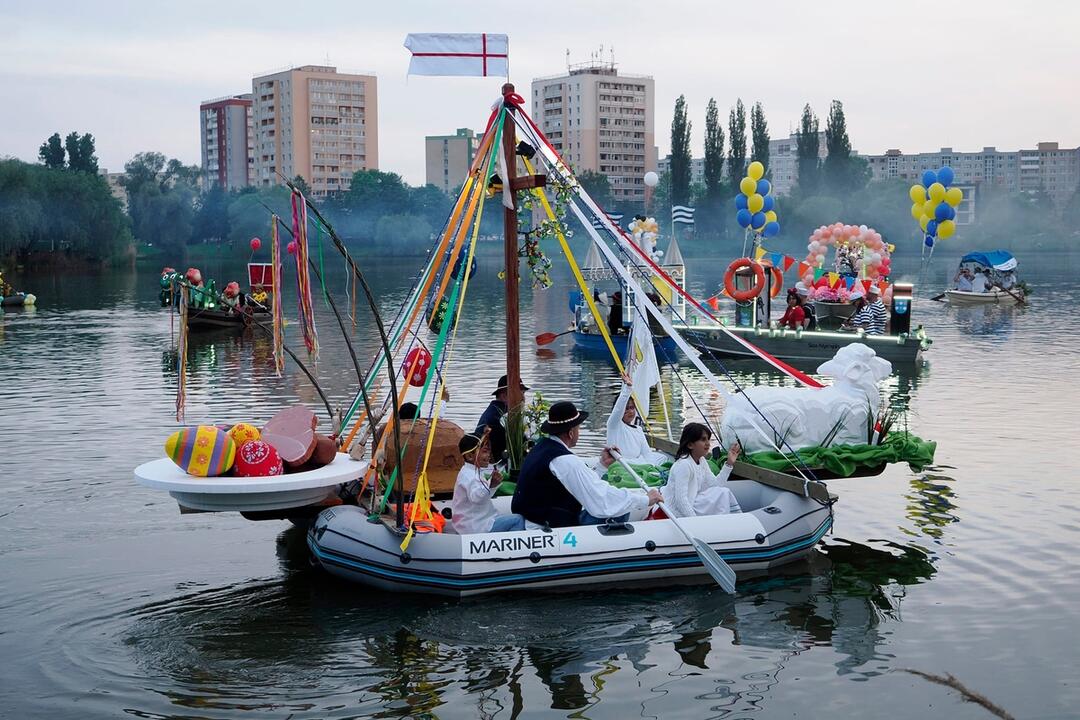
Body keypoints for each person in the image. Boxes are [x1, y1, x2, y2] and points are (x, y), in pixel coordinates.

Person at [512, 401, 663, 528]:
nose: (579, 432)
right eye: (578, 428)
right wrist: (645, 499)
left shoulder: (541, 448)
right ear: (571, 433)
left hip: (537, 516)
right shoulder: (564, 460)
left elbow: (581, 484)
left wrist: (602, 466)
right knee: (620, 510)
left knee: (615, 504)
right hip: (552, 525)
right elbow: (600, 497)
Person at [664, 423, 742, 518]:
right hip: (676, 512)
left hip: (693, 501)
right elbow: (681, 501)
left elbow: (716, 485)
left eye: (708, 439)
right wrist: (696, 522)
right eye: (703, 439)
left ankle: (728, 520)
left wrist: (729, 463)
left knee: (723, 492)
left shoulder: (702, 460)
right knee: (722, 493)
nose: (708, 443)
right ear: (690, 445)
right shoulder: (684, 465)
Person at [451, 433, 525, 534]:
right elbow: (477, 498)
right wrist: (490, 485)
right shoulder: (471, 477)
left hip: (470, 522)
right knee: (518, 520)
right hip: (476, 526)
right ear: (469, 456)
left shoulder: (469, 471)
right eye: (485, 452)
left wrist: (492, 485)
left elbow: (482, 495)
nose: (489, 456)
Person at [606, 371, 668, 465]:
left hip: (637, 465)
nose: (630, 411)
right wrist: (628, 388)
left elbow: (647, 454)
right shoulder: (614, 425)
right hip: (621, 465)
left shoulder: (638, 430)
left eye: (632, 408)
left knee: (663, 458)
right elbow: (618, 408)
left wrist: (651, 467)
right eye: (626, 409)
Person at [475, 374, 527, 464]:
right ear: (504, 396)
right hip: (494, 466)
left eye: (523, 393)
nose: (523, 398)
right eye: (519, 393)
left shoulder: (495, 410)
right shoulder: (501, 417)